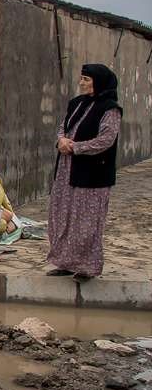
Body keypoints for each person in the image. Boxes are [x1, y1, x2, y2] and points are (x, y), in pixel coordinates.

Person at [45, 64, 122, 282]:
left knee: (86, 221)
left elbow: (106, 140)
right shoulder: (76, 103)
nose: (82, 83)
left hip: (92, 174)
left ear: (99, 82)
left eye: (86, 79)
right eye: (81, 78)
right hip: (66, 170)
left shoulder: (110, 109)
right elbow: (63, 127)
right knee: (62, 216)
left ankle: (87, 267)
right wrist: (61, 140)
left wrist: (76, 147)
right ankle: (65, 263)